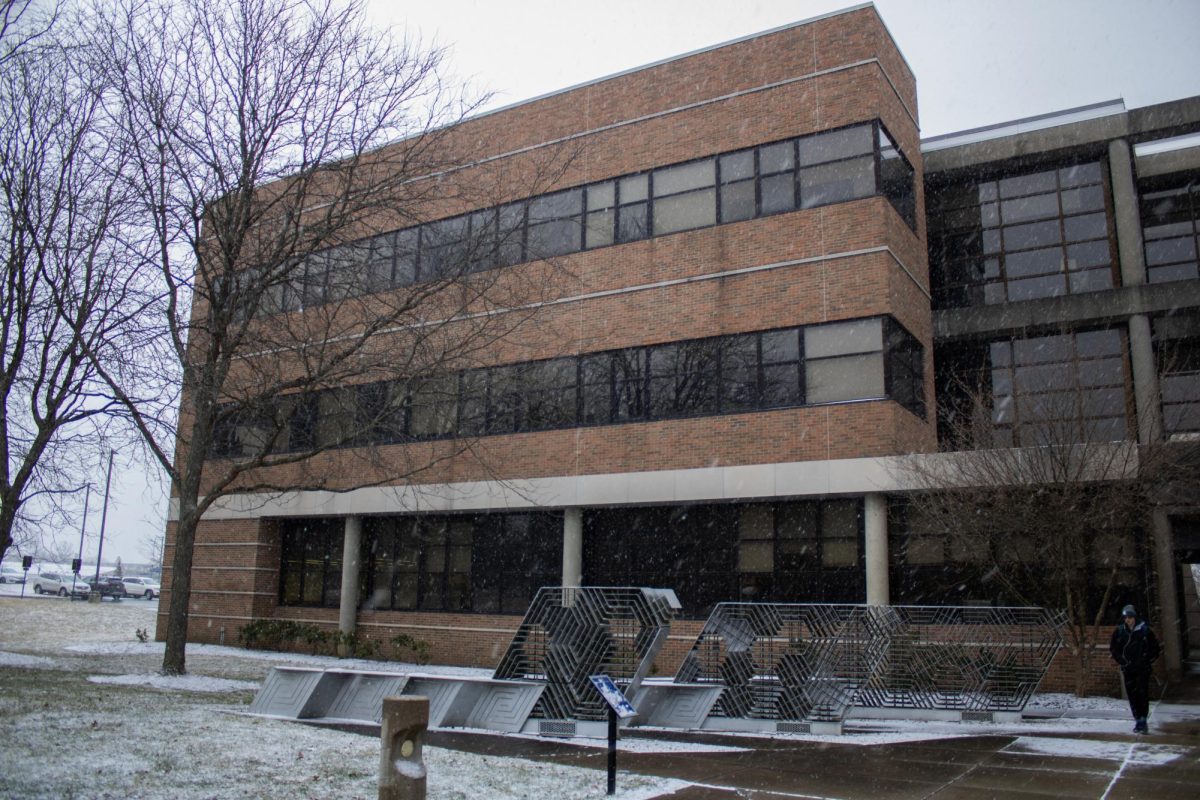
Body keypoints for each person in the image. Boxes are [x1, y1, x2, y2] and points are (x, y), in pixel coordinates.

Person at [1109, 604, 1161, 734]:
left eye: (1130, 617)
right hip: (1128, 669)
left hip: (1142, 669)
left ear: (1135, 617)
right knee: (1132, 695)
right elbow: (1114, 648)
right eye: (1126, 617)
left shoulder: (1144, 631)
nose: (1128, 620)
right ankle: (1138, 719)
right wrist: (1122, 661)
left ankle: (1142, 720)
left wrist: (1145, 659)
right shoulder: (1120, 631)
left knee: (1142, 694)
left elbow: (1155, 649)